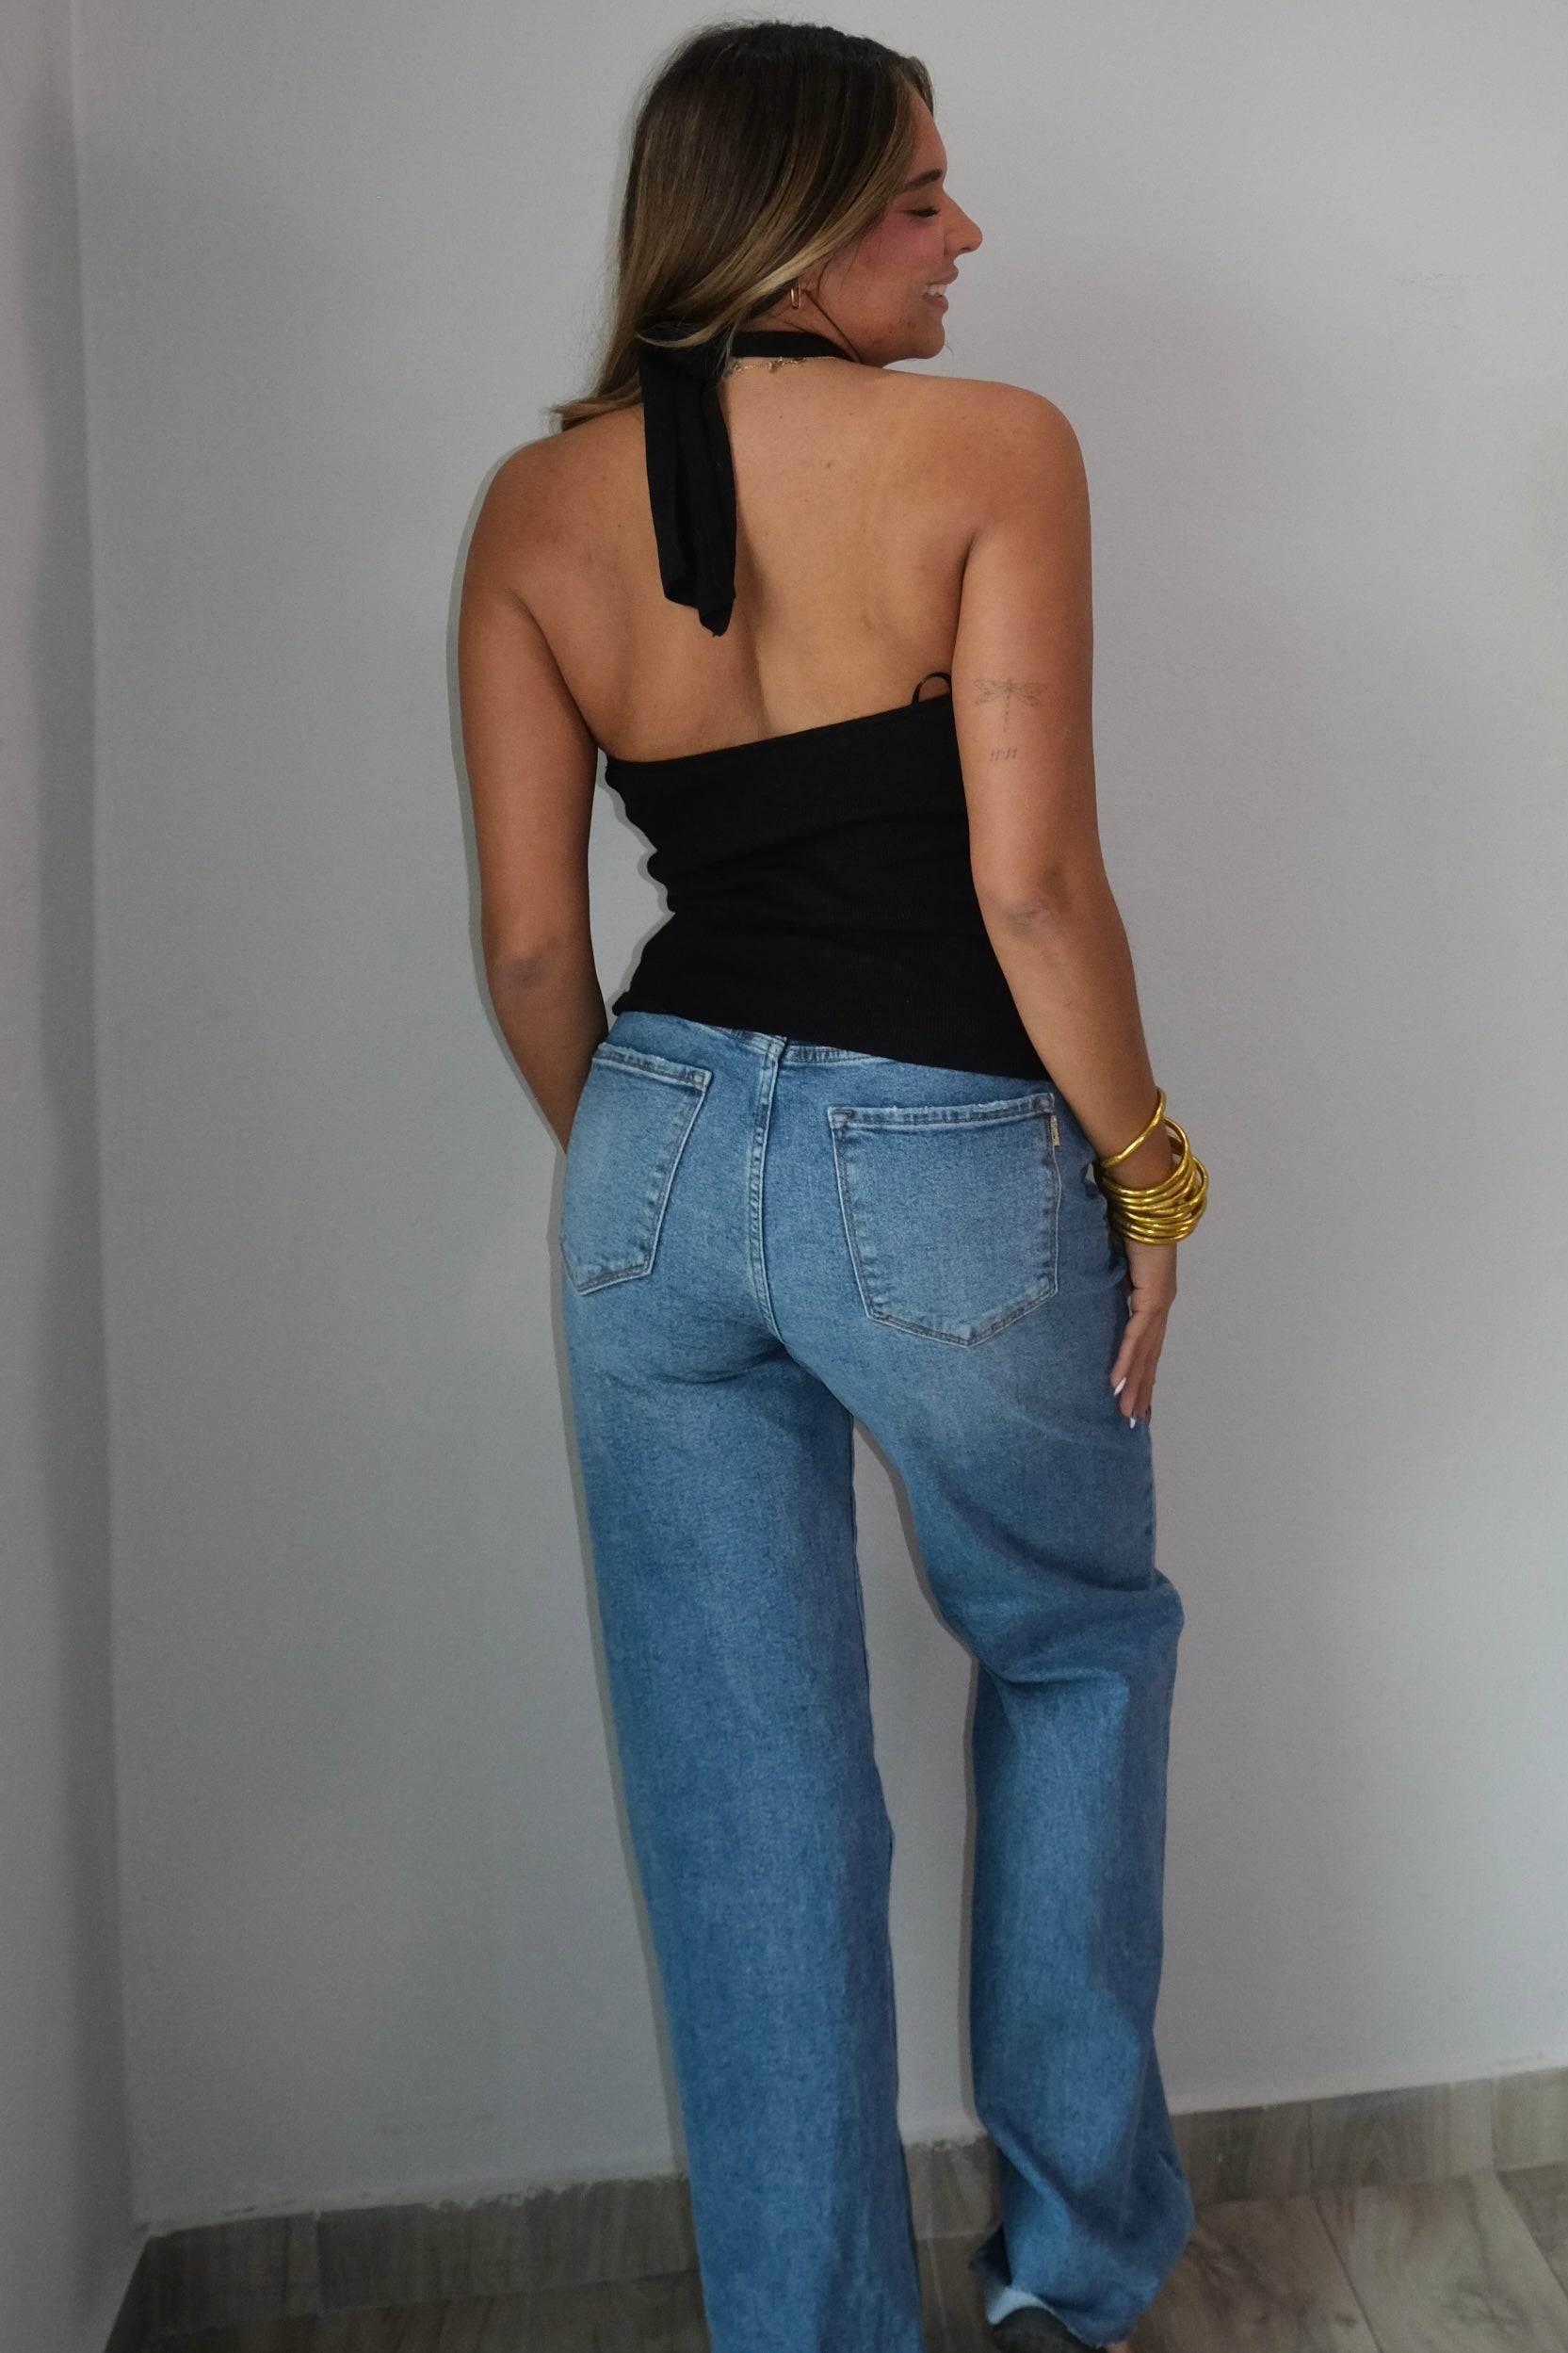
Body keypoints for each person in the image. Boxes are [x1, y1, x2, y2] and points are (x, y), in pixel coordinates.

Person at [457, 22, 1208, 2352]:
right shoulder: (989, 449)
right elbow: (1034, 885)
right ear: (783, 220)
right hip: (950, 1149)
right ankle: (1072, 2281)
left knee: (740, 1796)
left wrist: (658, 1167)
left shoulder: (531, 508)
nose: (962, 232)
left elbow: (528, 949)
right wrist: (1154, 1174)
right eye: (913, 194)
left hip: (651, 1146)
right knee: (1073, 1652)